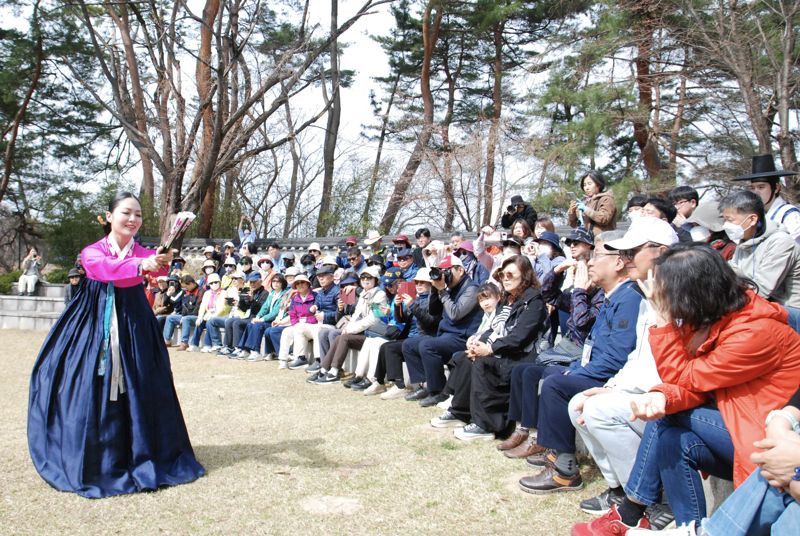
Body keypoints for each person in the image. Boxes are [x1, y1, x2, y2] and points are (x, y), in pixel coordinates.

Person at [572, 244, 800, 534]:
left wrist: (663, 322)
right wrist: (661, 395)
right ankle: (687, 525)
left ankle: (632, 511)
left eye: (669, 293)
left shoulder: (756, 331)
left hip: (762, 436)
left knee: (668, 417)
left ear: (695, 293)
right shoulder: (715, 319)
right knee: (673, 439)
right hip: (734, 423)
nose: (664, 299)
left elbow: (686, 377)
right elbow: (691, 386)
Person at [28, 191, 204, 498]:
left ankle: (143, 451)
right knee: (88, 382)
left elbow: (157, 268)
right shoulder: (92, 252)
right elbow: (104, 270)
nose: (133, 219)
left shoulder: (143, 252)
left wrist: (159, 261)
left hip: (135, 321)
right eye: (126, 213)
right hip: (95, 321)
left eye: (138, 214)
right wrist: (142, 264)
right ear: (110, 217)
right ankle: (98, 455)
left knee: (144, 382)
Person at [565, 218, 678, 518]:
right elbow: (637, 359)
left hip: (669, 397)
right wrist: (611, 387)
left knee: (597, 410)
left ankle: (645, 499)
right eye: (623, 253)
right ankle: (619, 489)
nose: (626, 260)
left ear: (661, 252)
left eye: (633, 252)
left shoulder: (680, 294)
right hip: (641, 389)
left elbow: (669, 364)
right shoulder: (645, 295)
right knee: (580, 404)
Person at [435, 256, 548, 441]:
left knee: (482, 363)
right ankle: (460, 412)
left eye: (511, 274)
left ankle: (486, 424)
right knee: (464, 358)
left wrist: (490, 349)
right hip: (504, 350)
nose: (505, 278)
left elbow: (519, 337)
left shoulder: (533, 301)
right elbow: (494, 328)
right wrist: (477, 341)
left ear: (525, 276)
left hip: (523, 356)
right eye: (502, 274)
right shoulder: (507, 300)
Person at [403, 255, 483, 407]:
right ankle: (425, 385)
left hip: (462, 337)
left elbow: (455, 314)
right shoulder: (449, 288)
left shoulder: (472, 289)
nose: (444, 274)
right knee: (409, 345)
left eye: (447, 271)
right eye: (442, 271)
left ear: (460, 270)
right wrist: (435, 289)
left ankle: (439, 392)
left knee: (427, 346)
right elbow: (434, 311)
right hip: (447, 335)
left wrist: (442, 291)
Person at [720, 190, 800, 332]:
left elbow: (761, 290)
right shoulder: (744, 240)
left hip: (790, 310)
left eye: (730, 220)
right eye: (724, 219)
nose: (726, 225)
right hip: (763, 305)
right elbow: (730, 272)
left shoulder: (780, 242)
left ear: (752, 219)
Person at [310, 266, 388, 384]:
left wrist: (351, 329)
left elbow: (374, 319)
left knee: (343, 337)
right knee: (339, 334)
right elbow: (356, 314)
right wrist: (348, 327)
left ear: (376, 279)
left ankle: (334, 370)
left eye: (369, 278)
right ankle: (325, 368)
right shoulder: (363, 294)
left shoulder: (379, 294)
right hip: (361, 331)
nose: (365, 280)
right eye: (363, 277)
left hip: (372, 333)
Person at [733, 154, 800, 244]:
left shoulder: (789, 214)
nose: (756, 192)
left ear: (776, 188)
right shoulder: (755, 215)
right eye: (753, 188)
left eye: (761, 187)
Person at [235, 273, 288, 360]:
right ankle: (246, 350)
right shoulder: (272, 293)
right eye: (274, 281)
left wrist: (262, 319)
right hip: (269, 320)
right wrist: (258, 317)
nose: (275, 283)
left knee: (258, 325)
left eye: (278, 281)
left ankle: (256, 352)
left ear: (282, 283)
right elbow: (265, 307)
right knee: (250, 324)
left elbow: (275, 312)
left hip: (277, 321)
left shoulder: (284, 294)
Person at [217, 271, 269, 359]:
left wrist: (252, 300)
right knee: (229, 321)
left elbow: (261, 310)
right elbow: (244, 308)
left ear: (260, 281)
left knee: (237, 323)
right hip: (248, 316)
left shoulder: (265, 293)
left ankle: (239, 348)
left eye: (254, 282)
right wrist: (239, 301)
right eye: (251, 282)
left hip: (256, 317)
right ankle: (229, 346)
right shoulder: (247, 291)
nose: (252, 284)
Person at [189, 272, 231, 352]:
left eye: (216, 282)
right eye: (211, 283)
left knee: (209, 321)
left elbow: (223, 308)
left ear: (219, 282)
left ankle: (208, 345)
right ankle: (194, 344)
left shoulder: (225, 293)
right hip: (208, 314)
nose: (214, 284)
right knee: (199, 323)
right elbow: (202, 306)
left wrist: (213, 315)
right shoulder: (207, 293)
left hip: (221, 315)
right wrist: (200, 317)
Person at [163, 275, 203, 351]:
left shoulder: (200, 291)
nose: (185, 288)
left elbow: (198, 307)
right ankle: (167, 341)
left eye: (186, 286)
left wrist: (185, 316)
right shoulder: (186, 292)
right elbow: (182, 305)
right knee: (170, 318)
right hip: (185, 315)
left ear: (191, 283)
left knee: (186, 319)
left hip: (197, 316)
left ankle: (184, 343)